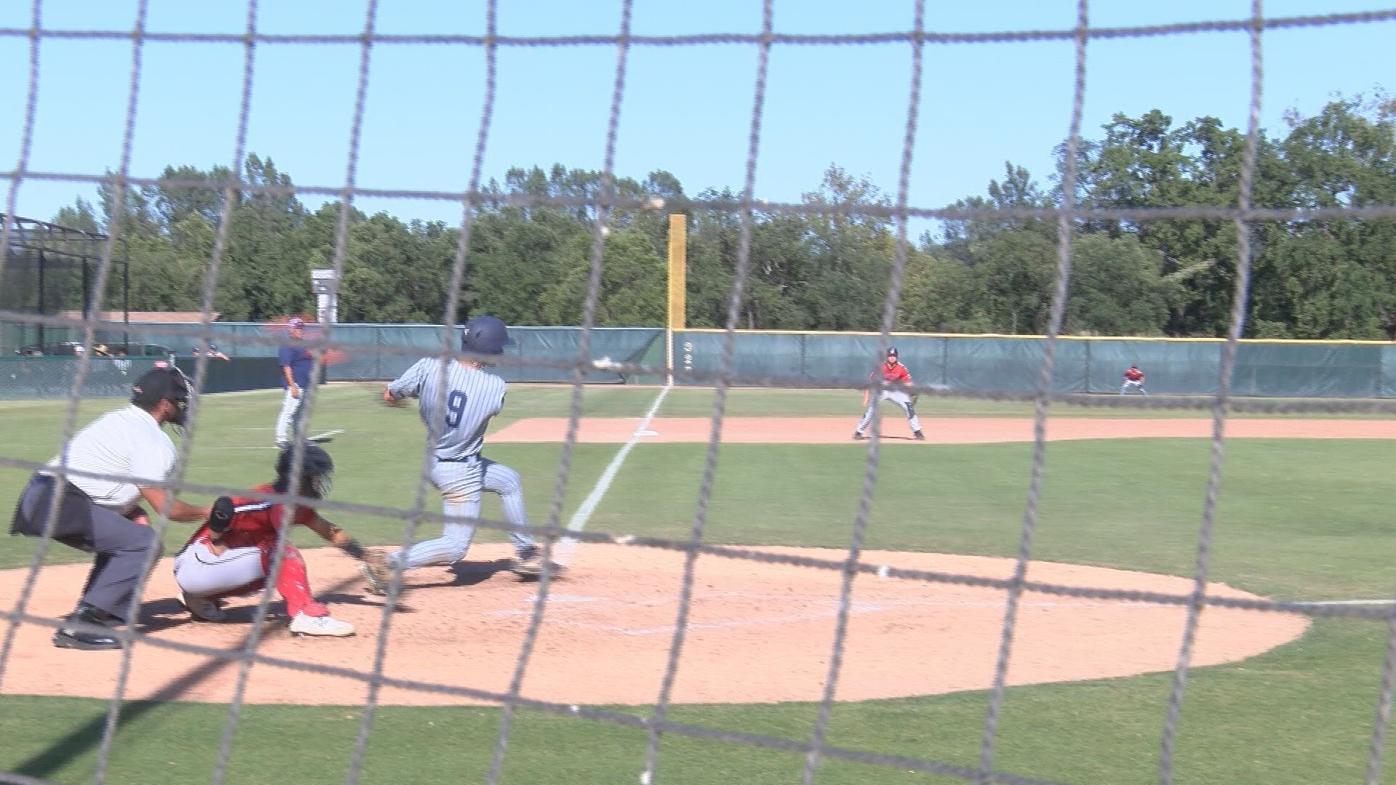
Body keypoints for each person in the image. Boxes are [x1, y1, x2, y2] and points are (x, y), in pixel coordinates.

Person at [8, 367, 211, 650]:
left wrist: (129, 512)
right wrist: (206, 512)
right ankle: (83, 625)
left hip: (41, 495)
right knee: (144, 544)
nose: (182, 406)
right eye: (178, 400)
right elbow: (168, 509)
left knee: (127, 539)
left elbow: (100, 475)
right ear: (164, 404)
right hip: (59, 500)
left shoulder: (118, 419)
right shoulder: (152, 439)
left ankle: (99, 611)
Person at [364, 315, 552, 594]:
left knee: (509, 481)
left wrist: (396, 399)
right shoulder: (495, 387)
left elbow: (390, 394)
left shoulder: (429, 367)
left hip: (439, 460)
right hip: (460, 472)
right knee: (455, 547)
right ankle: (389, 564)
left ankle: (526, 552)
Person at [171, 446, 384, 637]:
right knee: (282, 552)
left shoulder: (296, 506)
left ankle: (201, 599)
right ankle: (306, 615)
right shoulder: (265, 500)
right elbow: (222, 508)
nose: (319, 483)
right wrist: (216, 542)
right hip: (198, 563)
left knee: (272, 570)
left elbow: (330, 532)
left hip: (210, 569)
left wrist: (365, 556)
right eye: (315, 478)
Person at [853, 346, 924, 441]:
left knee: (908, 407)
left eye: (894, 355)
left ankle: (917, 432)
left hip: (896, 391)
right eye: (890, 355)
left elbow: (908, 382)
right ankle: (858, 432)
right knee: (871, 409)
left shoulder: (901, 368)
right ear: (887, 356)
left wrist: (913, 390)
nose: (892, 357)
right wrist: (866, 397)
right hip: (881, 391)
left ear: (897, 357)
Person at [275, 317, 314, 449]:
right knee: (289, 411)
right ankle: (281, 438)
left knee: (300, 413)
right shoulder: (287, 345)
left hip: (304, 383)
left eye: (302, 328)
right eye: (297, 328)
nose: (300, 331)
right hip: (295, 384)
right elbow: (286, 366)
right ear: (290, 330)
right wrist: (292, 385)